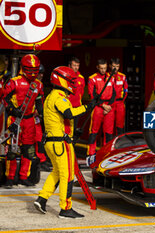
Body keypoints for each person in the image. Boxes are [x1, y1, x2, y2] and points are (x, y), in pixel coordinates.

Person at [34, 66, 97, 219]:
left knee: (56, 172)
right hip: (60, 143)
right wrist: (87, 107)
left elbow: (60, 118)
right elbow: (69, 113)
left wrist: (74, 131)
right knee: (67, 175)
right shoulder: (59, 97)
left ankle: (42, 199)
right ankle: (65, 208)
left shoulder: (51, 96)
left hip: (52, 142)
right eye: (70, 81)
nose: (72, 84)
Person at [3, 54, 44, 189]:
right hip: (15, 120)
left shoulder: (38, 84)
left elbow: (39, 100)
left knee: (28, 150)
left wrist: (41, 112)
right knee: (12, 151)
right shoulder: (14, 81)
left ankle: (23, 177)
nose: (32, 73)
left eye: (35, 70)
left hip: (30, 121)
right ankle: (9, 178)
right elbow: (5, 98)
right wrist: (12, 110)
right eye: (30, 69)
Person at [87, 59, 115, 158]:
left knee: (108, 132)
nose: (103, 70)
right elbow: (92, 95)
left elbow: (114, 93)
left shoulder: (111, 77)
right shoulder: (92, 78)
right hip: (98, 107)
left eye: (105, 68)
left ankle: (106, 153)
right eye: (101, 68)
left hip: (109, 107)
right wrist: (103, 105)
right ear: (97, 67)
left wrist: (109, 106)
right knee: (94, 131)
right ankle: (91, 153)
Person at [67, 57, 85, 137]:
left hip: (76, 108)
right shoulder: (65, 76)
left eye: (77, 65)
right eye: (74, 65)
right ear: (69, 65)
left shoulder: (81, 78)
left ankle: (72, 147)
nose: (76, 67)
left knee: (74, 130)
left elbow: (82, 92)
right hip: (66, 108)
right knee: (66, 129)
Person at [110, 58, 128, 135]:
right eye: (113, 66)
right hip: (109, 104)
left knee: (120, 125)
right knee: (108, 125)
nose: (115, 68)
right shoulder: (106, 76)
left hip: (120, 103)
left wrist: (121, 100)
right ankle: (105, 145)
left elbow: (126, 90)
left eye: (117, 66)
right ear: (110, 66)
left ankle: (119, 144)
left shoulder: (123, 77)